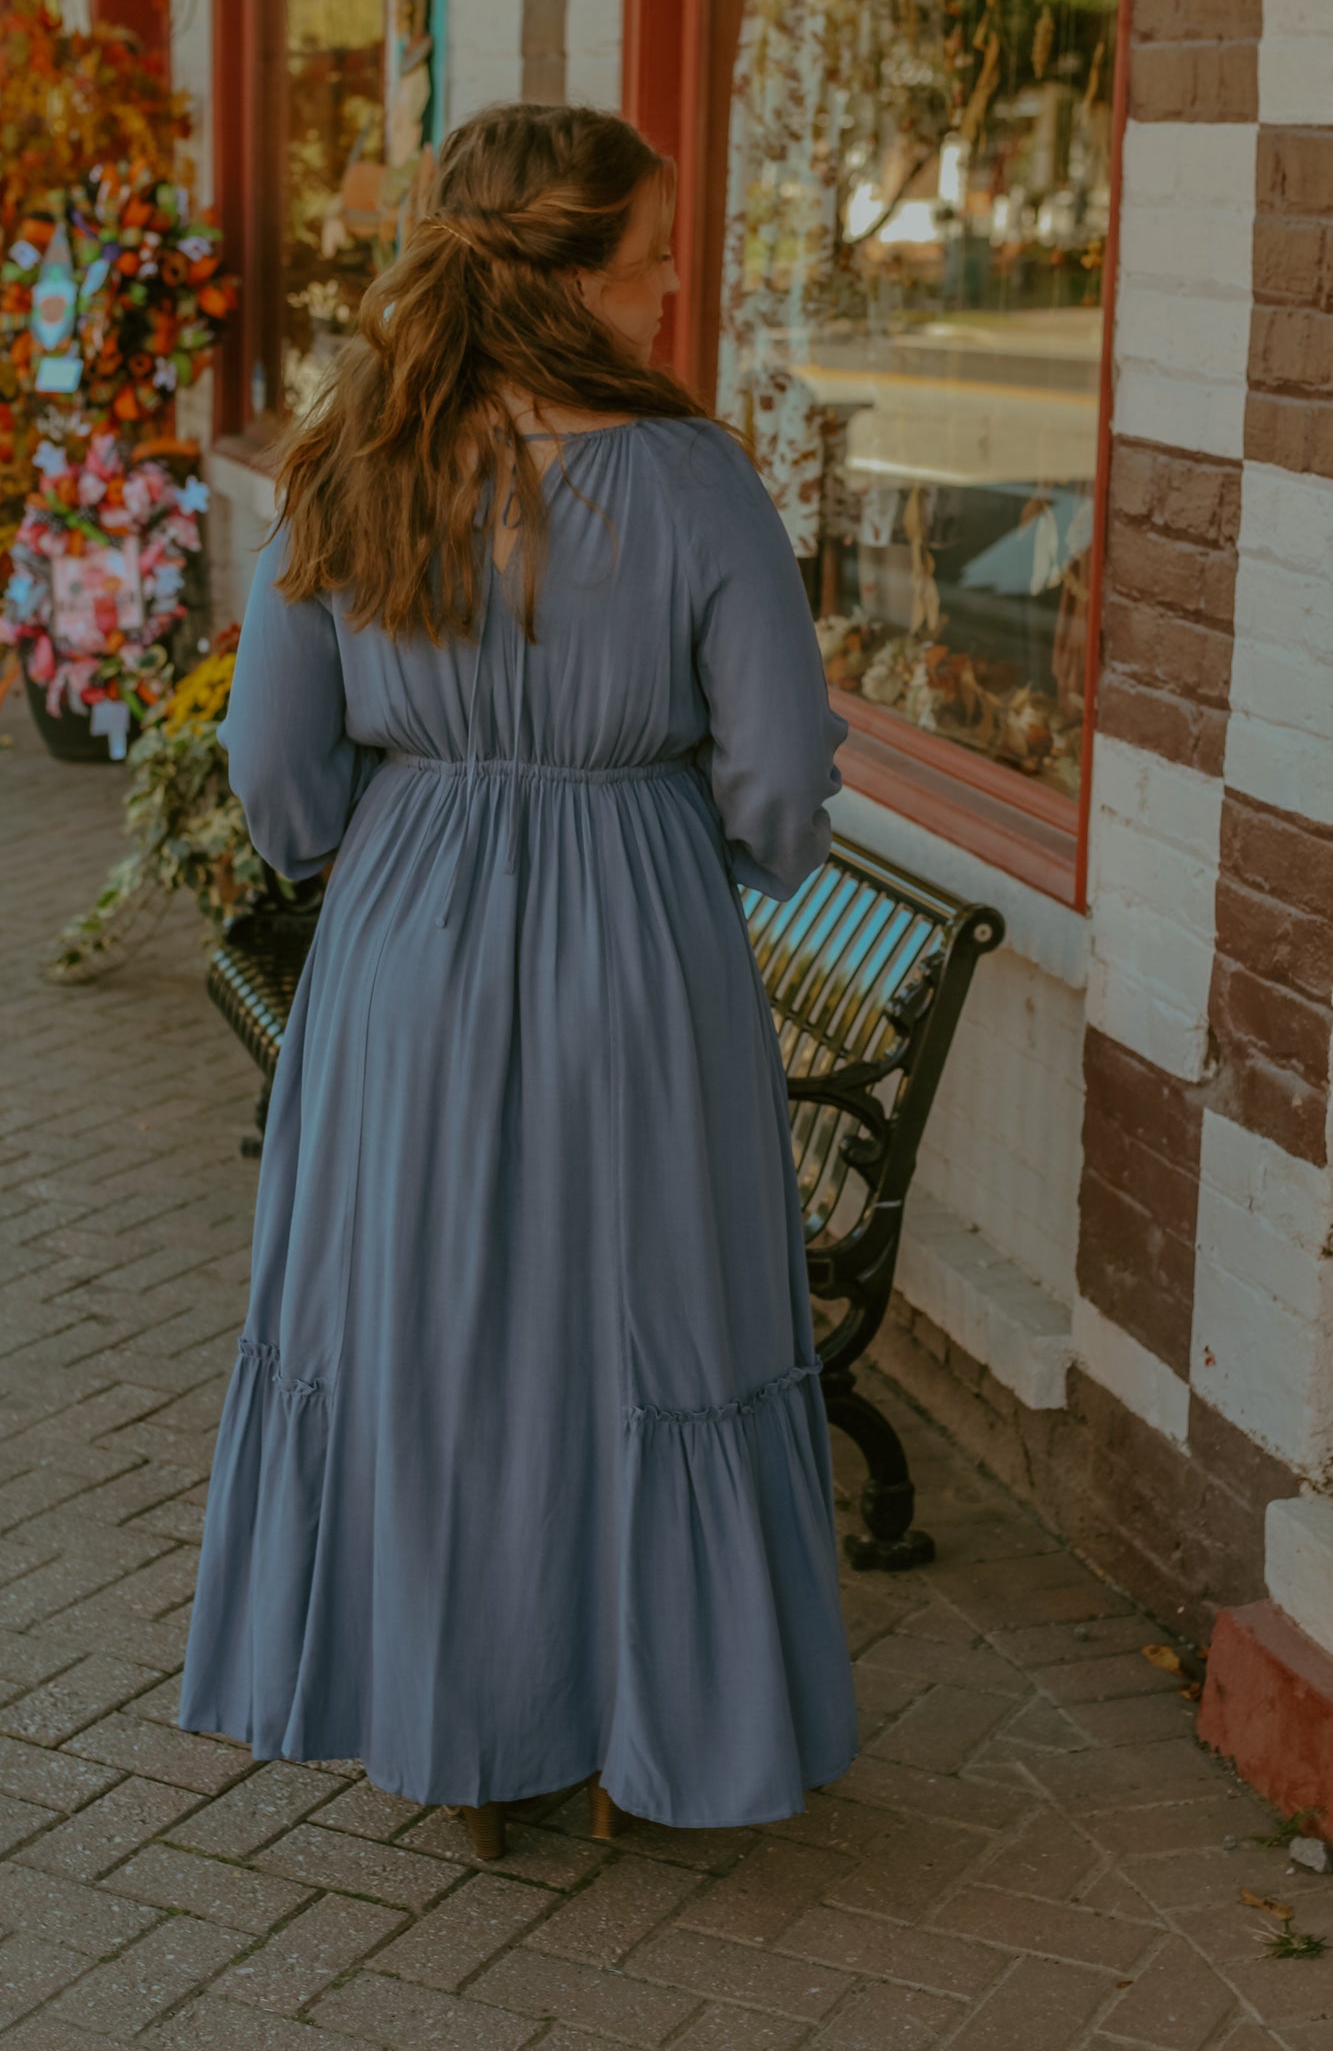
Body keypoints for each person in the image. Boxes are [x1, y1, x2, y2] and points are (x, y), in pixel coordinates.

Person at [179, 102, 858, 1859]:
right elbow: (781, 772)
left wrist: (386, 867)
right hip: (637, 940)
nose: (669, 287)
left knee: (429, 1336)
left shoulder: (355, 464)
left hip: (405, 939)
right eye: (646, 260)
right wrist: (685, 867)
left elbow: (274, 764)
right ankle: (660, 1721)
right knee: (649, 1324)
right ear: (563, 279)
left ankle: (467, 1725)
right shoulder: (695, 477)